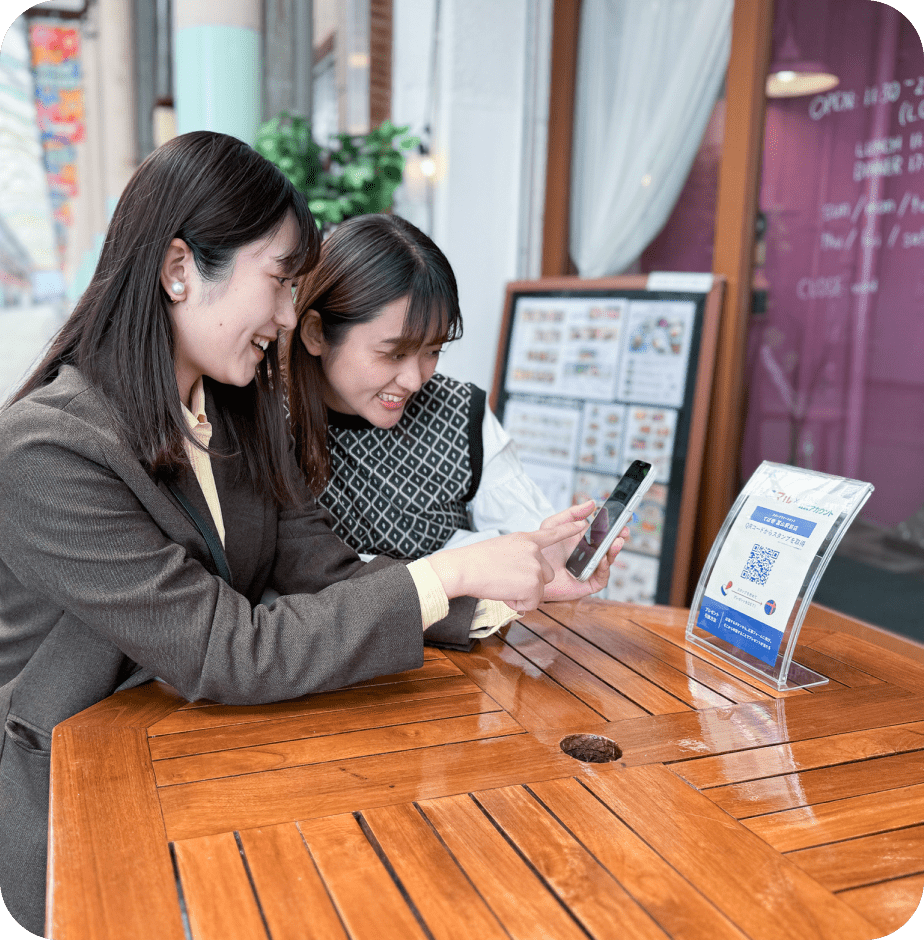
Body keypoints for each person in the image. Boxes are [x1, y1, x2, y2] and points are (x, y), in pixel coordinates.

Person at [0, 132, 606, 935]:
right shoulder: (47, 451)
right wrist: (453, 573)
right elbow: (225, 649)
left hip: (217, 756)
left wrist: (505, 585)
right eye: (282, 283)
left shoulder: (237, 412)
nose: (291, 317)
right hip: (88, 808)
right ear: (179, 269)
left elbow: (324, 569)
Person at [285, 213, 629, 591]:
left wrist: (553, 551)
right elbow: (308, 584)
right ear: (317, 333)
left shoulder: (457, 410)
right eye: (394, 354)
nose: (415, 381)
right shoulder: (267, 423)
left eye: (432, 351)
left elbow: (528, 538)